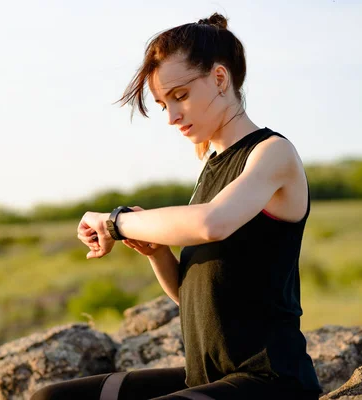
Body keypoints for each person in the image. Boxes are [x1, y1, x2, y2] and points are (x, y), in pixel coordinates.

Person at [31, 12, 324, 400]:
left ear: (220, 79)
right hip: (205, 379)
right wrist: (158, 254)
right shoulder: (208, 167)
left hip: (270, 381)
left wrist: (116, 223)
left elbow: (211, 224)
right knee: (50, 398)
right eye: (162, 103)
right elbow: (197, 299)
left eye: (180, 96)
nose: (170, 117)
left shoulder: (273, 153)